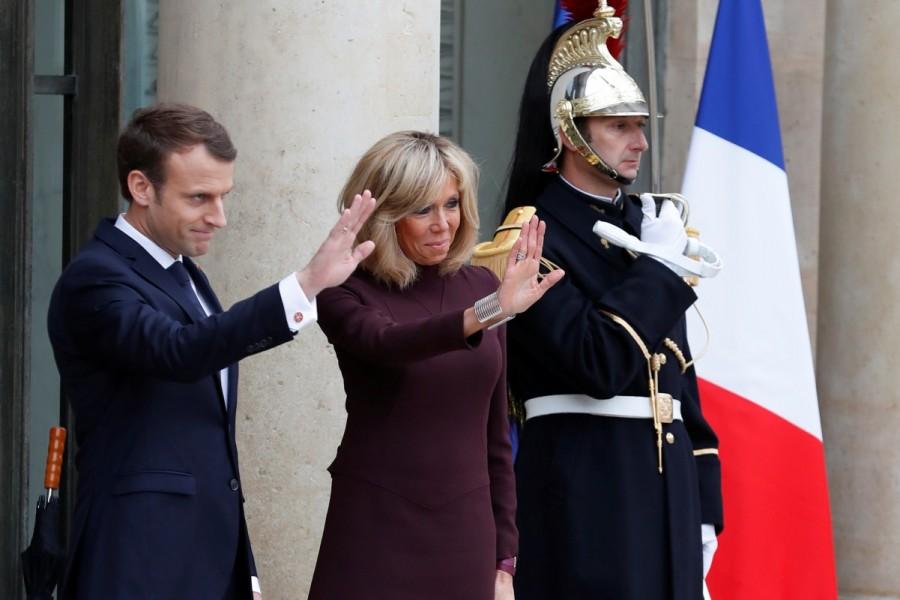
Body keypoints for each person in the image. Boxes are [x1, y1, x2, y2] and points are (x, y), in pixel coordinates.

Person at [47, 103, 376, 600]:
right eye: (199, 197)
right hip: (138, 557)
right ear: (141, 188)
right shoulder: (96, 277)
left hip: (204, 556)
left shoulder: (180, 272)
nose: (219, 218)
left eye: (224, 196)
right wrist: (304, 286)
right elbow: (179, 352)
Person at [503, 6, 723, 600]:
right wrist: (657, 268)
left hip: (667, 496)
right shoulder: (530, 235)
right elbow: (596, 363)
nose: (640, 141)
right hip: (584, 491)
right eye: (619, 126)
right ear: (572, 133)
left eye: (640, 124)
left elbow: (679, 377)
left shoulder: (650, 226)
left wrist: (705, 502)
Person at [307, 131, 564, 600]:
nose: (443, 224)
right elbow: (386, 343)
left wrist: (505, 558)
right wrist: (491, 311)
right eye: (422, 209)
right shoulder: (343, 289)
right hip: (375, 528)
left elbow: (496, 437)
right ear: (386, 216)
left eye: (451, 204)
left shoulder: (480, 287)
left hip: (466, 534)